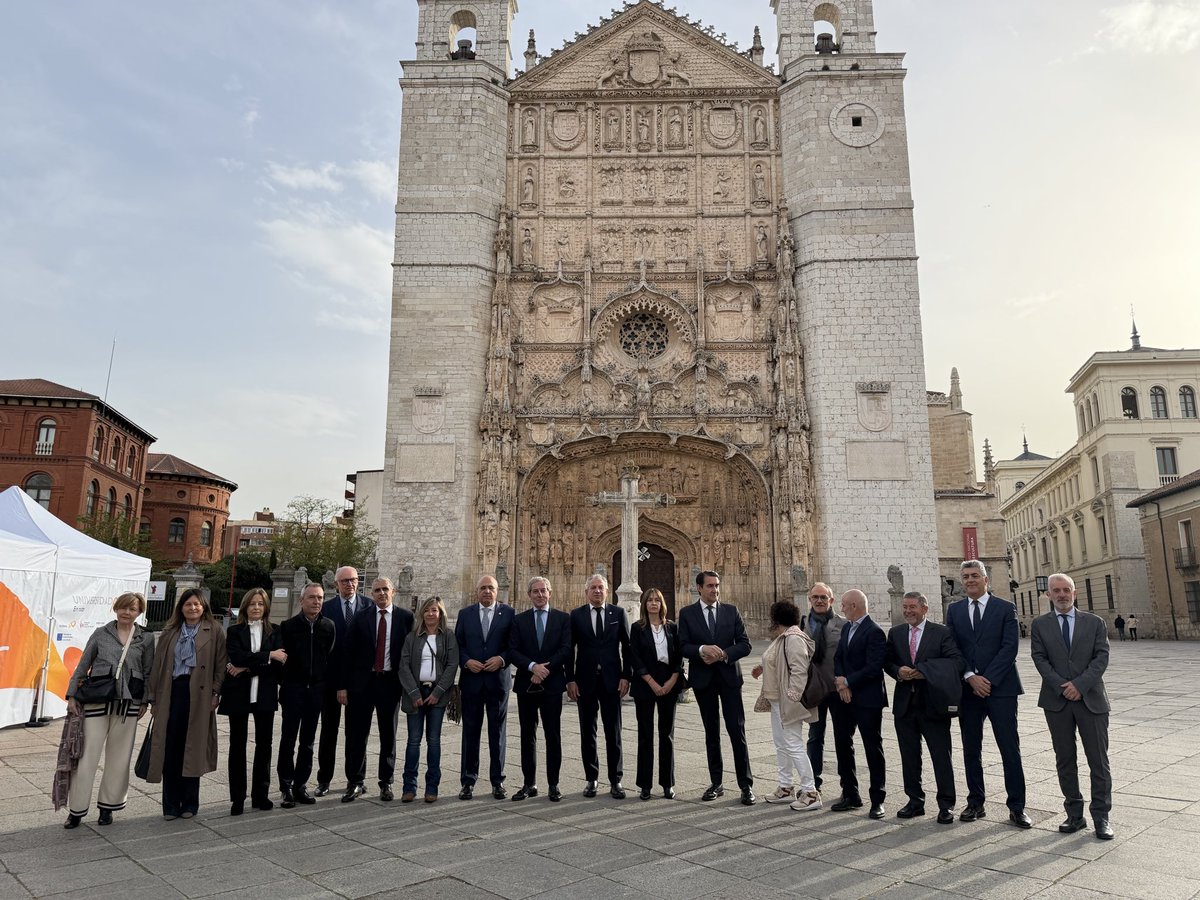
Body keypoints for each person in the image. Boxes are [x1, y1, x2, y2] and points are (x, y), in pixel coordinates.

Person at [946, 559, 1030, 827]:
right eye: (965, 576)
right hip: (969, 691)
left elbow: (1009, 648)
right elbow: (953, 648)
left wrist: (987, 680)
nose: (969, 580)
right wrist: (970, 677)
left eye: (974, 575)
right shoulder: (955, 610)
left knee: (1009, 749)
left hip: (1002, 689)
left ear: (986, 579)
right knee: (972, 749)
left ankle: (1017, 806)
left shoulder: (1005, 608)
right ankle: (975, 802)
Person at [1030, 574, 1114, 840]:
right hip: (1057, 702)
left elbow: (1101, 657)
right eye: (1056, 591)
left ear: (1075, 593)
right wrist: (1062, 686)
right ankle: (1074, 815)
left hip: (1091, 700)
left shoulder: (1095, 623)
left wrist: (1080, 685)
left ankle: (1101, 816)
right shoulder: (1040, 625)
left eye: (1066, 590)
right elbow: (1039, 659)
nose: (1062, 594)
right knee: (1065, 760)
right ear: (1049, 595)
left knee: (1098, 761)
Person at [63, 591, 155, 828]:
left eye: (132, 609)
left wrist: (145, 701)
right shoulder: (101, 633)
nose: (127, 612)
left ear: (139, 612)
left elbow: (148, 672)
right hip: (97, 701)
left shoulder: (145, 638)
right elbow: (84, 663)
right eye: (124, 607)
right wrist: (72, 694)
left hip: (129, 704)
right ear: (116, 609)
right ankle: (77, 810)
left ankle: (108, 807)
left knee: (119, 758)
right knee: (86, 757)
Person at [145, 588, 228, 820]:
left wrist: (215, 692)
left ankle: (190, 803)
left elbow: (221, 665)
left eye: (197, 605)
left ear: (204, 607)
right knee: (170, 749)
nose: (193, 608)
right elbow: (157, 667)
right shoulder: (170, 633)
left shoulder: (215, 632)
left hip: (199, 697)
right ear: (181, 607)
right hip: (171, 693)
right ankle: (170, 805)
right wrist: (152, 698)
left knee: (193, 749)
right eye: (188, 604)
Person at [884, 591, 963, 825]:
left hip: (933, 704)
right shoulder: (896, 633)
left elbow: (956, 661)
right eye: (905, 607)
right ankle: (914, 801)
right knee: (909, 756)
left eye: (912, 607)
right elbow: (887, 661)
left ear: (924, 609)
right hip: (905, 705)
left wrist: (924, 671)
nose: (908, 611)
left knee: (941, 756)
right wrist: (898, 671)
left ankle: (946, 805)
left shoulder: (941, 633)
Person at [678, 570, 756, 805]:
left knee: (737, 731)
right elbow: (682, 646)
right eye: (710, 586)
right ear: (699, 588)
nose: (715, 590)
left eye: (717, 585)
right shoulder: (687, 614)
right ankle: (716, 783)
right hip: (704, 681)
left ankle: (746, 785)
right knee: (711, 732)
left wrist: (722, 654)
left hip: (729, 679)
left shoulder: (731, 611)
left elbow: (745, 644)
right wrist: (702, 651)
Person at [337, 577, 414, 803]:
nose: (381, 594)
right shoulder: (361, 618)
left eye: (385, 589)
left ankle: (386, 782)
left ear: (394, 591)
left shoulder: (405, 618)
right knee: (356, 735)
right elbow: (347, 654)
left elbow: (410, 653)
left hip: (389, 683)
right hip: (361, 683)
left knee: (388, 735)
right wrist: (342, 686)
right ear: (371, 594)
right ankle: (355, 781)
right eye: (377, 590)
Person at [219, 587, 287, 815]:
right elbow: (236, 656)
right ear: (246, 607)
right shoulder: (235, 631)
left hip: (265, 694)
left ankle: (261, 795)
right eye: (252, 604)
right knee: (237, 746)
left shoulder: (275, 631)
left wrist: (247, 666)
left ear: (265, 607)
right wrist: (267, 656)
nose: (256, 607)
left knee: (264, 745)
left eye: (260, 604)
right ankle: (237, 798)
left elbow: (279, 664)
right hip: (239, 694)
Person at [751, 599, 822, 812]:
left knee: (793, 743)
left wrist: (793, 696)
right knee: (782, 744)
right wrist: (762, 667)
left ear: (777, 619)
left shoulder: (793, 638)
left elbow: (799, 668)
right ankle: (785, 786)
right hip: (776, 701)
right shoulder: (783, 638)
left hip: (788, 701)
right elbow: (778, 661)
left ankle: (810, 792)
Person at [507, 576, 572, 802]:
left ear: (550, 593)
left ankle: (553, 784)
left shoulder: (563, 619)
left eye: (544, 591)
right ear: (529, 595)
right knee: (528, 735)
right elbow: (512, 650)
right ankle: (529, 783)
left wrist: (546, 669)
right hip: (527, 683)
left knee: (552, 734)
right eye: (535, 591)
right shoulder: (519, 620)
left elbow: (566, 649)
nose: (540, 595)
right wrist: (532, 667)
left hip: (552, 684)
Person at [567, 574, 631, 798]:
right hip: (585, 682)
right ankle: (591, 779)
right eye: (593, 588)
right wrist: (570, 679)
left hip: (613, 682)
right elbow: (569, 650)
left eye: (600, 588)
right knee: (588, 732)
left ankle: (616, 780)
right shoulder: (576, 615)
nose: (597, 591)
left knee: (613, 732)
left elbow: (627, 647)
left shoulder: (618, 613)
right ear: (586, 592)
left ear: (608, 590)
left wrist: (626, 677)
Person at [276, 583, 336, 808]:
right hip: (294, 690)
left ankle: (300, 785)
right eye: (312, 598)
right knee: (288, 739)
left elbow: (328, 657)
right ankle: (286, 786)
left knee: (308, 742)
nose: (317, 602)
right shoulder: (288, 626)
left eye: (320, 598)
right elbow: (282, 659)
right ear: (302, 601)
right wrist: (288, 684)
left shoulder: (329, 626)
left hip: (316, 692)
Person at [455, 574, 515, 799]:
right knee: (470, 731)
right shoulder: (465, 614)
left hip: (497, 681)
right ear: (476, 591)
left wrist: (501, 659)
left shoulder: (509, 614)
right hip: (472, 681)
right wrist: (466, 661)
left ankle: (497, 780)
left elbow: (513, 645)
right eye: (483, 588)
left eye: (491, 588)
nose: (487, 591)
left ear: (497, 591)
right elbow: (458, 644)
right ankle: (468, 780)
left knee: (497, 732)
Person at [830, 589, 887, 818]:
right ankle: (850, 794)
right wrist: (841, 683)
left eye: (844, 605)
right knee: (843, 746)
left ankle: (877, 800)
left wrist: (848, 681)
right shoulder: (847, 627)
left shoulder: (874, 632)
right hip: (845, 697)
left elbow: (875, 667)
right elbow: (838, 658)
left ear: (854, 605)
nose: (841, 608)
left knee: (873, 748)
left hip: (867, 699)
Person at [398, 596, 458, 803]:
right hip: (415, 693)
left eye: (435, 610)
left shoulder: (448, 636)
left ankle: (432, 787)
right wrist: (414, 693)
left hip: (437, 695)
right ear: (421, 613)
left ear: (441, 614)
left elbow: (452, 665)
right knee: (413, 741)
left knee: (434, 741)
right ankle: (409, 786)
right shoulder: (412, 637)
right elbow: (403, 666)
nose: (431, 614)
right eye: (427, 610)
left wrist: (438, 692)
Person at [316, 566, 369, 796]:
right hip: (331, 681)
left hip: (359, 682)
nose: (350, 584)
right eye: (345, 581)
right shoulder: (325, 609)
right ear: (336, 584)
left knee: (357, 733)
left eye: (354, 580)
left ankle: (356, 779)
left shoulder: (369, 606)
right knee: (328, 731)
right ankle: (324, 779)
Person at [627, 587, 684, 801]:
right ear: (644, 604)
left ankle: (667, 783)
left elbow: (678, 656)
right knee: (645, 735)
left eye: (656, 600)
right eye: (649, 600)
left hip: (669, 683)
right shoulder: (637, 628)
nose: (653, 603)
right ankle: (645, 784)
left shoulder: (672, 628)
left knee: (667, 735)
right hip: (645, 684)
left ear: (662, 604)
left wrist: (671, 681)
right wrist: (651, 681)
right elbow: (635, 657)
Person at [803, 582, 844, 793]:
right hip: (813, 691)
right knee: (815, 736)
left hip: (838, 689)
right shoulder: (802, 625)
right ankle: (813, 783)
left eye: (823, 597)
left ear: (831, 600)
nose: (819, 601)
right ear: (810, 599)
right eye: (815, 597)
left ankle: (848, 787)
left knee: (842, 738)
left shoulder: (843, 624)